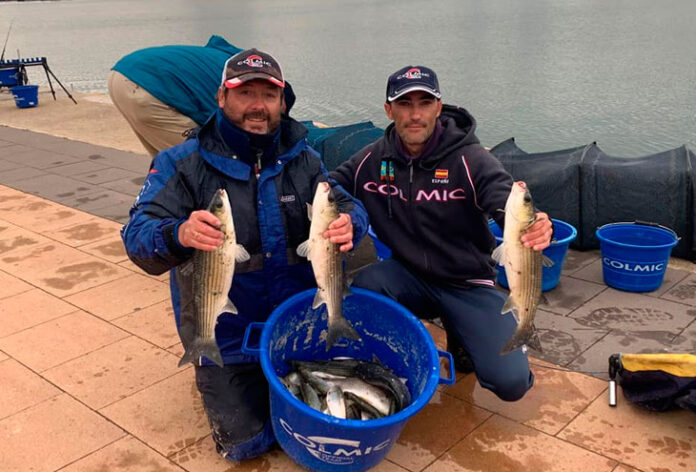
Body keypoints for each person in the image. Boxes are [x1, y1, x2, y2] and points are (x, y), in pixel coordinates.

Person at [121, 48, 368, 460]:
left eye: (269, 95)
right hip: (229, 335)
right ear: (222, 97)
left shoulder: (305, 159)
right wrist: (178, 233)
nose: (258, 106)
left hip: (295, 323)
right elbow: (136, 237)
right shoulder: (180, 164)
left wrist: (351, 223)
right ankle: (217, 370)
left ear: (283, 102)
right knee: (246, 445)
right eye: (245, 93)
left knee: (318, 422)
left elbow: (345, 202)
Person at [331, 65, 553, 401]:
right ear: (389, 110)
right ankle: (398, 352)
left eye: (424, 103)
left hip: (467, 282)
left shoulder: (471, 159)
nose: (415, 114)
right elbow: (329, 187)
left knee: (511, 383)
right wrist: (345, 216)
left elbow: (504, 200)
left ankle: (461, 330)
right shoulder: (372, 159)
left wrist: (537, 225)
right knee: (364, 287)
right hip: (408, 275)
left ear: (438, 107)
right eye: (404, 104)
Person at [109, 35, 298, 157]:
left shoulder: (232, 63)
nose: (259, 107)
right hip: (149, 87)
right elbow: (219, 131)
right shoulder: (230, 85)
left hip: (123, 74)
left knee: (167, 158)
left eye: (269, 96)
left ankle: (159, 199)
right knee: (206, 157)